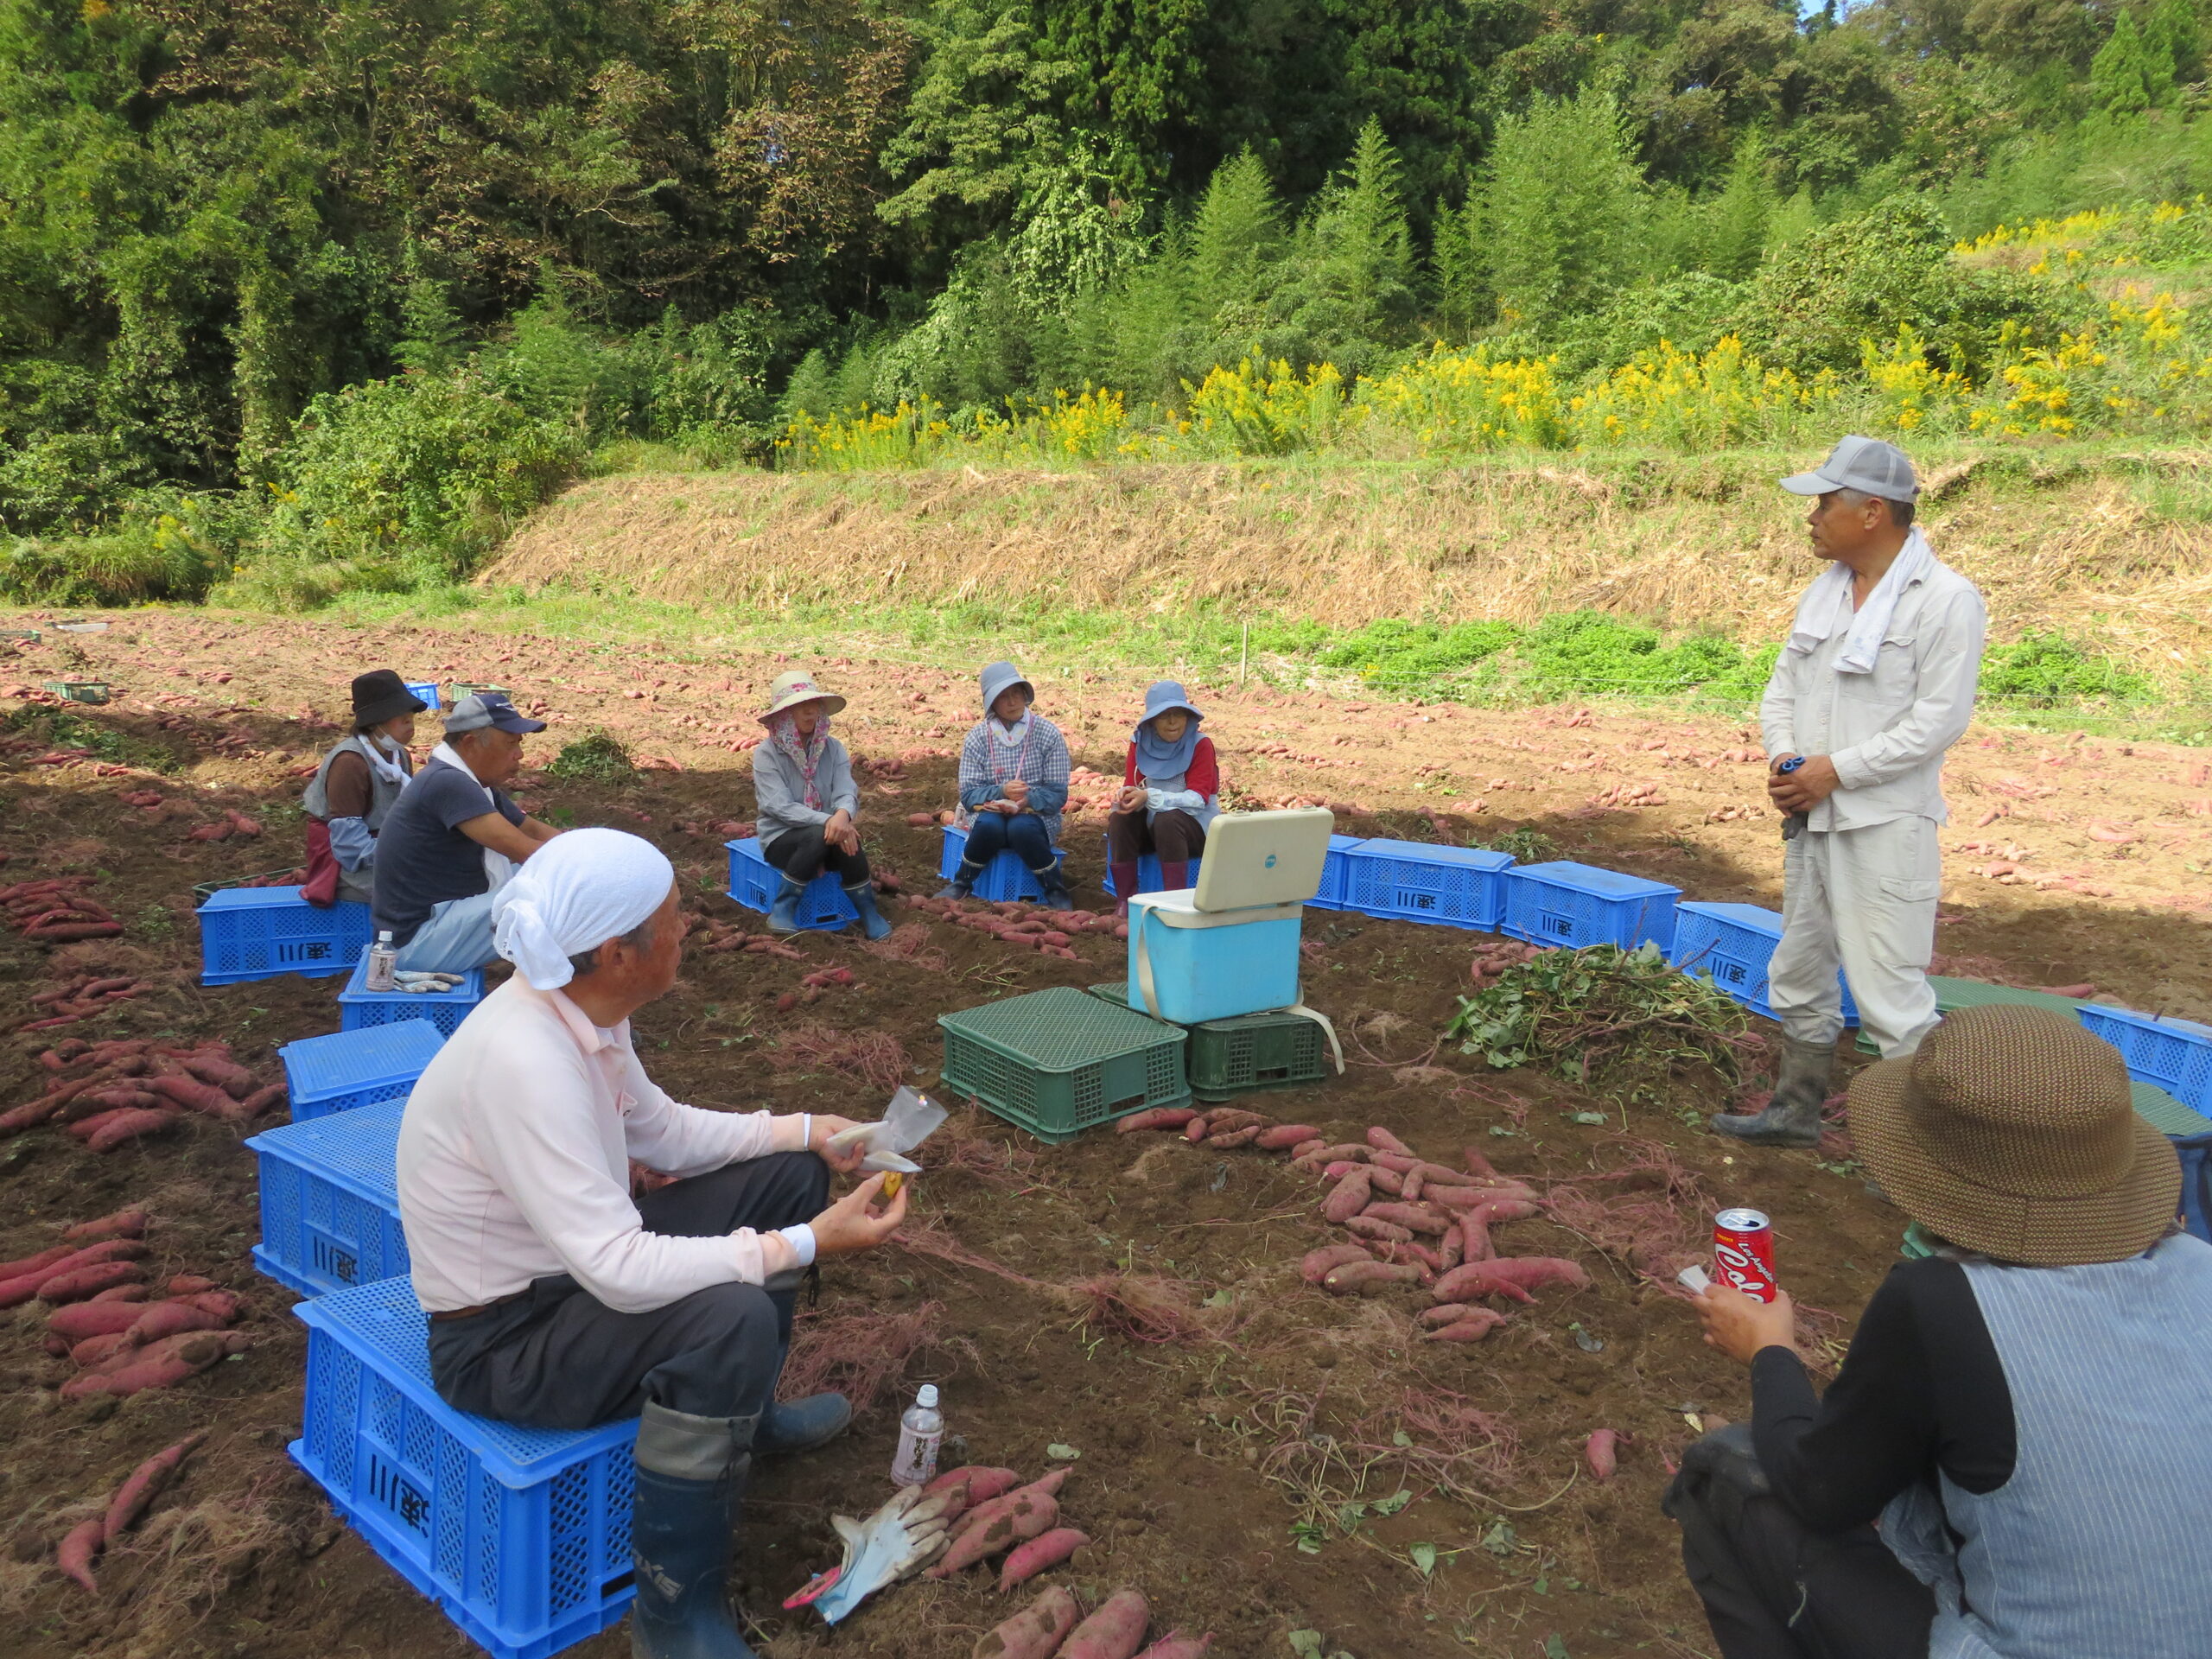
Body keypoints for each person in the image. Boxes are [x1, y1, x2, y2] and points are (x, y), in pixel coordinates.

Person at [397, 828, 910, 1659]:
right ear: (618, 952)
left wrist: (809, 1131)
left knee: (786, 1176)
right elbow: (619, 1270)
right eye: (673, 919)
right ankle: (673, 1613)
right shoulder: (526, 1060)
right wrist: (806, 1245)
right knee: (732, 1316)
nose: (687, 931)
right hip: (504, 1342)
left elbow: (661, 1134)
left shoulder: (581, 1009)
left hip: (571, 1278)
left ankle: (748, 1414)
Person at [1669, 1004, 2212, 1659]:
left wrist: (1769, 1351)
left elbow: (1821, 1492)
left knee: (1725, 1472)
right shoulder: (2199, 1263)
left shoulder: (1939, 1301)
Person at [1713, 435, 1987, 1147]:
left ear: (1871, 512)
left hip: (1882, 824)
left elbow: (1937, 722)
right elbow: (1783, 690)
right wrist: (1787, 762)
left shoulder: (1947, 601)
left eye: (1823, 503)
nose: (1809, 517)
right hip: (1812, 817)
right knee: (1801, 971)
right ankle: (1796, 1112)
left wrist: (1834, 770)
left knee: (1891, 993)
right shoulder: (1826, 591)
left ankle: (1931, 1155)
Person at [371, 691, 563, 972]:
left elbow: (534, 830)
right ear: (471, 743)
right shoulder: (447, 783)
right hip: (415, 943)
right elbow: (527, 851)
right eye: (510, 743)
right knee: (553, 895)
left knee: (550, 880)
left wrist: (587, 851)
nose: (519, 754)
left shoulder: (476, 784)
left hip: (439, 923)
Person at [749, 669, 890, 940]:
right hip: (783, 840)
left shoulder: (833, 748)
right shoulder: (766, 755)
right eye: (799, 707)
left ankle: (868, 911)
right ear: (783, 714)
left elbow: (846, 790)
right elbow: (778, 806)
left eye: (813, 705)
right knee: (822, 835)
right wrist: (830, 821)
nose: (809, 712)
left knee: (846, 838)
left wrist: (842, 815)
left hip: (831, 832)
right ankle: (783, 909)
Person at [939, 659, 1073, 910]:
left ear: (1025, 695)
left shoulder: (1047, 733)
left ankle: (1054, 888)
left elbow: (1057, 794)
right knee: (991, 825)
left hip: (1038, 819)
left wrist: (1027, 801)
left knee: (1021, 827)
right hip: (989, 816)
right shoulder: (978, 737)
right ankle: (962, 882)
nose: (1012, 702)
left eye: (1016, 694)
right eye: (1003, 697)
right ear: (992, 704)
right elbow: (969, 794)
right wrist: (1000, 793)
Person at [302, 670, 425, 906]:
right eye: (403, 720)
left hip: (382, 849)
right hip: (346, 865)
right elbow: (349, 846)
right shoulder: (350, 764)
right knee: (424, 891)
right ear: (376, 723)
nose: (411, 726)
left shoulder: (400, 755)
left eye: (411, 719)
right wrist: (403, 855)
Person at [1107, 680, 1220, 908]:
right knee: (1120, 818)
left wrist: (1150, 797)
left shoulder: (1201, 745)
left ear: (1187, 717)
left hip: (1195, 830)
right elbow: (1132, 782)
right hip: (1152, 829)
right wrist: (1127, 795)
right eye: (1163, 716)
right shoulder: (1139, 742)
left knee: (1167, 819)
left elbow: (1198, 800)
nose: (1172, 722)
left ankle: (1174, 902)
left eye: (1178, 714)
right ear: (1151, 721)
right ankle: (1125, 901)